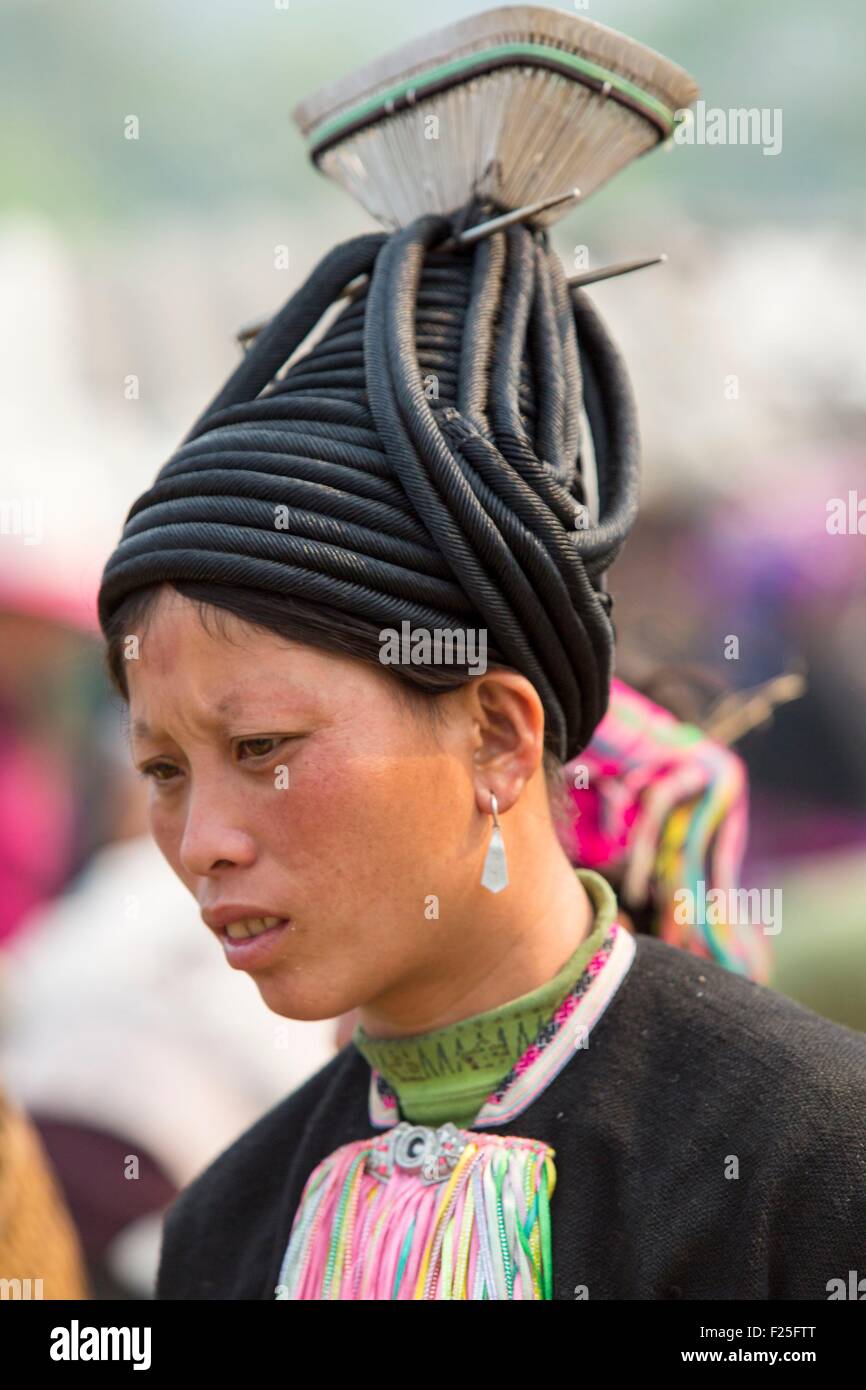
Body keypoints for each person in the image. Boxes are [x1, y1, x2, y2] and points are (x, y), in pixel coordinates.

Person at [95, 9, 866, 1300]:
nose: (202, 838)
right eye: (163, 768)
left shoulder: (802, 1160)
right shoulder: (221, 1229)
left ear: (500, 736)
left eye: (263, 748)